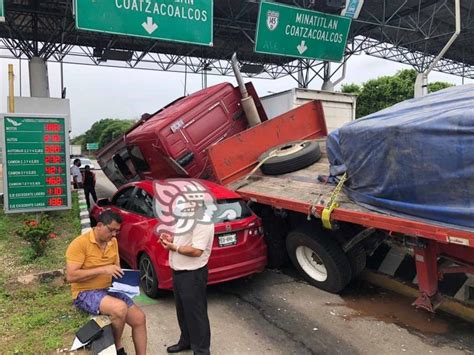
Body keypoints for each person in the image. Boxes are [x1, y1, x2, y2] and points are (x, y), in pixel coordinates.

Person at [66, 210, 147, 355]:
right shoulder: (79, 244)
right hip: (85, 292)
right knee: (119, 309)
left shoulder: (112, 242)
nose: (114, 235)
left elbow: (115, 269)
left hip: (109, 289)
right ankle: (117, 346)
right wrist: (103, 270)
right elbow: (71, 276)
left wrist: (127, 281)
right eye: (111, 230)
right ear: (99, 225)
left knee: (139, 319)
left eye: (117, 231)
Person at [160, 204, 214, 355]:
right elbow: (185, 240)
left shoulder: (203, 221)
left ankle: (202, 351)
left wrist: (174, 247)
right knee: (183, 311)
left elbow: (197, 250)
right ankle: (186, 341)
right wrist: (171, 239)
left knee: (196, 314)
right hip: (179, 271)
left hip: (193, 274)